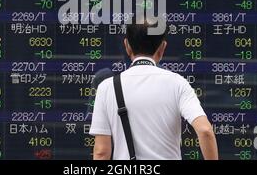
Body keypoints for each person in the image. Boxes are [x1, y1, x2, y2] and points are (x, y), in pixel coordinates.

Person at [89, 21, 218, 160]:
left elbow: (101, 152)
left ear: (127, 45)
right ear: (162, 48)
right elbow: (205, 130)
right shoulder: (178, 83)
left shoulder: (107, 87)